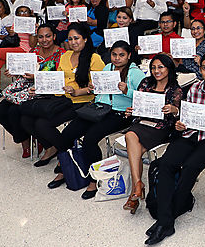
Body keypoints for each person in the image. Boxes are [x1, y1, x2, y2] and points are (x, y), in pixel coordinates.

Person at [144, 52, 205, 245]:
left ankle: (165, 221)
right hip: (190, 134)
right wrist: (181, 123)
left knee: (189, 168)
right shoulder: (194, 88)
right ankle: (166, 220)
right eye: (204, 68)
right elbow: (186, 115)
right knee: (166, 164)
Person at [47, 41, 144, 199]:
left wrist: (127, 90)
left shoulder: (135, 73)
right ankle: (66, 169)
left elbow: (142, 98)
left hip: (120, 113)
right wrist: (94, 88)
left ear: (129, 56)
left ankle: (94, 179)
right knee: (66, 134)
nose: (117, 58)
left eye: (121, 55)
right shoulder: (108, 68)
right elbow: (99, 92)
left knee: (90, 139)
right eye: (114, 55)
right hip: (99, 109)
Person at [22, 23, 106, 170]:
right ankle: (53, 148)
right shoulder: (66, 56)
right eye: (70, 39)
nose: (73, 42)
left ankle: (64, 154)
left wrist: (76, 92)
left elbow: (98, 88)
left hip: (82, 102)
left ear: (85, 39)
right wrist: (40, 89)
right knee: (26, 119)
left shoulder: (94, 58)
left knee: (43, 124)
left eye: (76, 38)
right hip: (61, 98)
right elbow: (56, 79)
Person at [0, 24, 65, 157]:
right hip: (24, 89)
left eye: (48, 36)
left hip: (44, 92)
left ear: (54, 36)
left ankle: (26, 143)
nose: (44, 40)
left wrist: (36, 76)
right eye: (40, 37)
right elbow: (25, 72)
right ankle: (26, 137)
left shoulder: (62, 55)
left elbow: (59, 79)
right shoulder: (34, 51)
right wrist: (15, 72)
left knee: (14, 111)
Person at [122, 53, 183, 205]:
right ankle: (137, 186)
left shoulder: (175, 89)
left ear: (169, 69)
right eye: (154, 67)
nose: (157, 71)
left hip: (161, 127)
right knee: (133, 142)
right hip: (142, 123)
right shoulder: (145, 83)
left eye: (161, 67)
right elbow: (138, 106)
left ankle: (135, 190)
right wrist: (131, 111)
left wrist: (174, 110)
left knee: (131, 140)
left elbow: (180, 114)